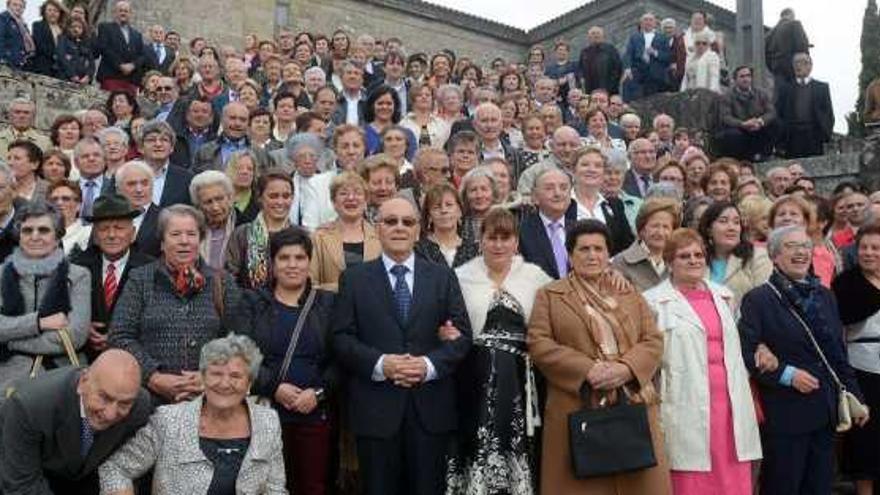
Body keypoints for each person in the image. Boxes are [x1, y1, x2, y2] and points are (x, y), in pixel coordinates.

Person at [332, 196, 472, 495]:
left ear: (418, 229)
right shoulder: (354, 279)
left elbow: (461, 338)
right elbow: (341, 338)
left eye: (407, 222)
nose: (399, 228)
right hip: (376, 411)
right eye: (390, 221)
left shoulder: (442, 277)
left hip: (430, 410)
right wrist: (383, 364)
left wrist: (427, 366)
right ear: (377, 228)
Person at [527, 219, 670, 494]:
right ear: (570, 255)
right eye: (584, 249)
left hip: (631, 404)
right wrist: (587, 369)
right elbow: (539, 343)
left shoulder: (628, 291)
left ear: (608, 255)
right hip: (576, 405)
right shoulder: (550, 295)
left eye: (598, 249)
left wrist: (626, 368)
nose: (592, 255)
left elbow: (652, 339)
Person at [739, 225, 866, 495]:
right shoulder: (758, 300)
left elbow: (837, 353)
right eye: (791, 246)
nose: (800, 252)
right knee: (782, 487)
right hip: (785, 414)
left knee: (819, 488)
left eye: (805, 246)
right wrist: (787, 375)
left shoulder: (826, 296)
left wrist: (856, 396)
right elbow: (747, 353)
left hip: (826, 411)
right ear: (774, 256)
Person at [643, 228, 761, 495]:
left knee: (730, 470)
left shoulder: (725, 296)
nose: (694, 260)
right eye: (684, 256)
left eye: (698, 254)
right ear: (670, 262)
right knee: (690, 472)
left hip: (729, 403)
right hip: (683, 400)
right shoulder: (652, 301)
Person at [446, 207, 552, 494]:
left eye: (506, 238)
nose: (499, 244)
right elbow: (446, 320)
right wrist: (445, 331)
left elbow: (555, 316)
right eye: (492, 237)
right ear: (480, 240)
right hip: (473, 380)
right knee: (476, 442)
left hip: (521, 382)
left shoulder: (536, 276)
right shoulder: (460, 276)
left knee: (516, 445)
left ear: (516, 242)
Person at [99, 334, 287, 494]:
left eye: (235, 376)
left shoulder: (267, 422)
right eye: (216, 374)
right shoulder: (169, 421)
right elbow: (115, 469)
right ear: (203, 379)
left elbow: (275, 488)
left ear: (249, 385)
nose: (224, 383)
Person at [108, 204, 241, 404]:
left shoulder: (222, 282)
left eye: (191, 234)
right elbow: (119, 336)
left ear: (200, 239)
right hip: (151, 399)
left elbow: (238, 339)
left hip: (210, 398)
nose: (184, 241)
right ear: (162, 242)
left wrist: (211, 375)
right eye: (176, 234)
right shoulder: (141, 279)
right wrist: (153, 377)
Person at [241, 228, 337, 494]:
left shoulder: (329, 304)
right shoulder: (252, 301)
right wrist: (274, 387)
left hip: (314, 413)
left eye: (299, 257)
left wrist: (318, 394)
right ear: (272, 263)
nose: (292, 265)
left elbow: (341, 359)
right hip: (264, 412)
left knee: (312, 486)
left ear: (309, 261)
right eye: (284, 258)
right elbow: (239, 354)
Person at [0, 349, 152, 495]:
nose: (111, 415)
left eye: (124, 404)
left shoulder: (139, 406)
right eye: (104, 397)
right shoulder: (28, 407)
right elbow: (23, 486)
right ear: (83, 382)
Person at [0, 200, 91, 401]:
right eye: (27, 230)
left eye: (43, 230)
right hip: (6, 376)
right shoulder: (1, 275)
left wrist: (10, 342)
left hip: (61, 375)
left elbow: (75, 335)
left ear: (57, 235)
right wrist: (39, 323)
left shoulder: (78, 276)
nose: (34, 237)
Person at [71, 193, 153, 360]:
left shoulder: (150, 269)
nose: (111, 235)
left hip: (133, 359)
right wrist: (81, 327)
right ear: (95, 235)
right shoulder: (77, 266)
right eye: (103, 229)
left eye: (119, 228)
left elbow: (155, 319)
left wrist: (118, 337)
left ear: (133, 234)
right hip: (84, 359)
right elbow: (62, 310)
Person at [310, 172, 381, 292]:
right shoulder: (318, 238)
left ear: (365, 201)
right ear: (334, 202)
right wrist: (346, 289)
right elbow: (311, 283)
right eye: (343, 193)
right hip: (331, 307)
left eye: (357, 193)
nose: (351, 198)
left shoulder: (381, 236)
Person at [226, 169, 293, 289]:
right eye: (273, 196)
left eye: (286, 196)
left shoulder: (301, 236)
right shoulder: (241, 235)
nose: (280, 202)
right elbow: (230, 279)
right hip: (249, 304)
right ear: (260, 198)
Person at [698, 201, 772, 308]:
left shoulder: (757, 256)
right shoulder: (697, 259)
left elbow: (765, 301)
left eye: (736, 222)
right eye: (723, 221)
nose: (731, 228)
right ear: (709, 230)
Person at [571, 147, 634, 256]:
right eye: (585, 165)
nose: (591, 169)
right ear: (573, 170)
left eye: (598, 166)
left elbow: (628, 247)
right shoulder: (562, 205)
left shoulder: (615, 205)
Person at [520, 168, 578, 280]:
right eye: (549, 188)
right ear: (535, 197)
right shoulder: (521, 232)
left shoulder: (581, 230)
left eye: (563, 188)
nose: (557, 193)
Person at [613, 197, 679, 292]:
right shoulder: (621, 262)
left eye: (666, 227)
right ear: (642, 229)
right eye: (655, 226)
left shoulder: (678, 261)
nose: (660, 232)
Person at [776, 53, 834, 158]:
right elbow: (779, 113)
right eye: (796, 63)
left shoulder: (821, 87)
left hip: (814, 134)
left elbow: (828, 113)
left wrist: (826, 132)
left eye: (803, 62)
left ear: (810, 66)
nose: (799, 66)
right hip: (792, 135)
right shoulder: (785, 89)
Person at [715, 66, 779, 161]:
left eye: (748, 76)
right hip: (739, 129)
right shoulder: (727, 96)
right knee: (732, 135)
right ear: (735, 80)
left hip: (757, 127)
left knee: (776, 124)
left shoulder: (761, 93)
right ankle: (738, 159)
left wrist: (760, 122)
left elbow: (771, 112)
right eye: (742, 76)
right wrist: (742, 124)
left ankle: (764, 155)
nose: (746, 79)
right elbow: (725, 117)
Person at [193, 102, 274, 173]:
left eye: (242, 120)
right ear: (222, 120)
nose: (237, 123)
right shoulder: (205, 151)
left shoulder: (260, 154)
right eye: (232, 118)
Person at [415, 183, 479, 269]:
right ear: (429, 216)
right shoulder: (419, 250)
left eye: (449, 205)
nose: (444, 210)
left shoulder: (474, 250)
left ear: (459, 211)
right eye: (437, 207)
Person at [136, 120, 193, 208]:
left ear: (172, 148)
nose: (158, 144)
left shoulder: (187, 178)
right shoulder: (125, 175)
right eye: (151, 140)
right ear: (140, 148)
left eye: (164, 140)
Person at [286, 133, 336, 231]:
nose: (307, 161)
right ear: (294, 160)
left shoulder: (327, 182)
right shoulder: (287, 183)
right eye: (302, 156)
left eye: (312, 156)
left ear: (317, 158)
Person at [94, 1, 147, 93]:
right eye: (120, 10)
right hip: (111, 76)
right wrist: (120, 65)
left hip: (131, 80)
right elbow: (104, 48)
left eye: (126, 11)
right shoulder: (105, 27)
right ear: (115, 13)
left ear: (130, 14)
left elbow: (142, 55)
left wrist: (133, 65)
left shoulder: (137, 35)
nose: (123, 13)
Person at [190, 170, 237, 271]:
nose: (215, 207)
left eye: (219, 199)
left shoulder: (246, 227)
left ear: (230, 198)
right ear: (198, 206)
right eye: (208, 202)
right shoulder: (190, 230)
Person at [622, 12, 670, 101]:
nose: (648, 22)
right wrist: (627, 68)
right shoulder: (634, 37)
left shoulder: (663, 38)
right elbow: (628, 53)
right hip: (638, 73)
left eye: (650, 20)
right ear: (641, 23)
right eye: (645, 20)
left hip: (656, 75)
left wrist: (655, 53)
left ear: (655, 23)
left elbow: (668, 56)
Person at [765, 8, 810, 86]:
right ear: (791, 15)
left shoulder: (769, 34)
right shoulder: (795, 24)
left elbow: (765, 56)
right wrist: (805, 65)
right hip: (794, 69)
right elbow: (802, 46)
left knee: (781, 95)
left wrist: (773, 68)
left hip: (776, 71)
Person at [400, 83, 451, 150]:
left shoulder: (442, 125)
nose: (424, 97)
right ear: (412, 99)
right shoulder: (403, 125)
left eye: (427, 95)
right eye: (419, 95)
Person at [47, 179, 91, 254]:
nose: (59, 203)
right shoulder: (39, 233)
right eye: (54, 199)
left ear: (78, 206)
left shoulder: (88, 234)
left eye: (66, 199)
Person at [578, 26, 623, 95]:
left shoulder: (610, 49)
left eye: (598, 33)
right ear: (589, 37)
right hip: (590, 91)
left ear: (602, 36)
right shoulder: (584, 52)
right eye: (593, 33)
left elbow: (618, 68)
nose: (596, 35)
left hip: (609, 90)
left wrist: (611, 86)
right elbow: (580, 70)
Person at [29, 0, 65, 77]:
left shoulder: (64, 31)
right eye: (49, 10)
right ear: (44, 12)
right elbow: (40, 45)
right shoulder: (37, 25)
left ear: (60, 13)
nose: (52, 13)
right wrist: (56, 55)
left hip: (60, 71)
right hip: (42, 67)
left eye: (55, 11)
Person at [56, 16, 95, 84]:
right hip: (65, 79)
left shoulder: (86, 44)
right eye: (73, 27)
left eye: (79, 27)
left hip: (82, 82)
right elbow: (61, 57)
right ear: (68, 28)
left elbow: (91, 63)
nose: (76, 29)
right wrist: (72, 75)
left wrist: (88, 76)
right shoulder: (63, 39)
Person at [0, 0, 34, 70]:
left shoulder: (23, 24)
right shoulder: (3, 19)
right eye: (15, 5)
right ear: (8, 6)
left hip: (20, 64)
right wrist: (3, 60)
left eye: (21, 6)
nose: (18, 8)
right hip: (7, 64)